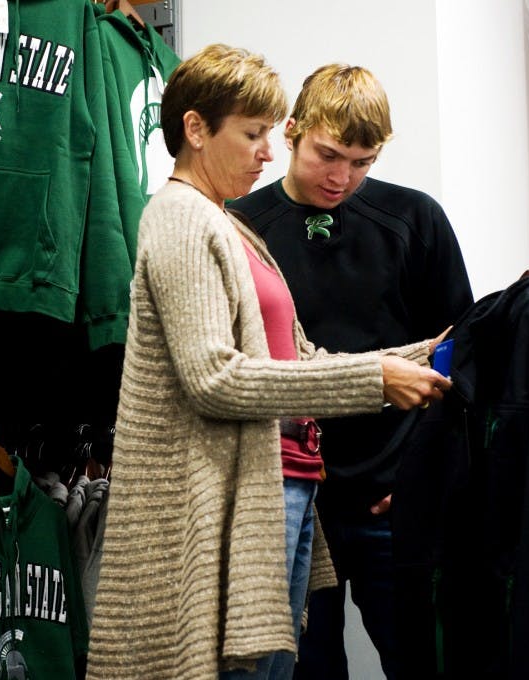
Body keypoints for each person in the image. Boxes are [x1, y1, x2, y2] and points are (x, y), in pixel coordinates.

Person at [86, 45, 452, 680]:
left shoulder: (231, 227)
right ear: (196, 130)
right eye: (253, 134)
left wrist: (419, 352)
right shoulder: (180, 218)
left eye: (361, 163)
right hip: (255, 490)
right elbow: (214, 378)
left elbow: (302, 357)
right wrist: (376, 378)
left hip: (288, 486)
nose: (263, 152)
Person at [230, 64, 474, 679]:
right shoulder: (237, 225)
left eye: (362, 162)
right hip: (289, 497)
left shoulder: (414, 219)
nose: (342, 178)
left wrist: (426, 475)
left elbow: (460, 354)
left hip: (391, 499)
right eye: (328, 155)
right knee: (304, 670)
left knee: (426, 662)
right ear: (292, 132)